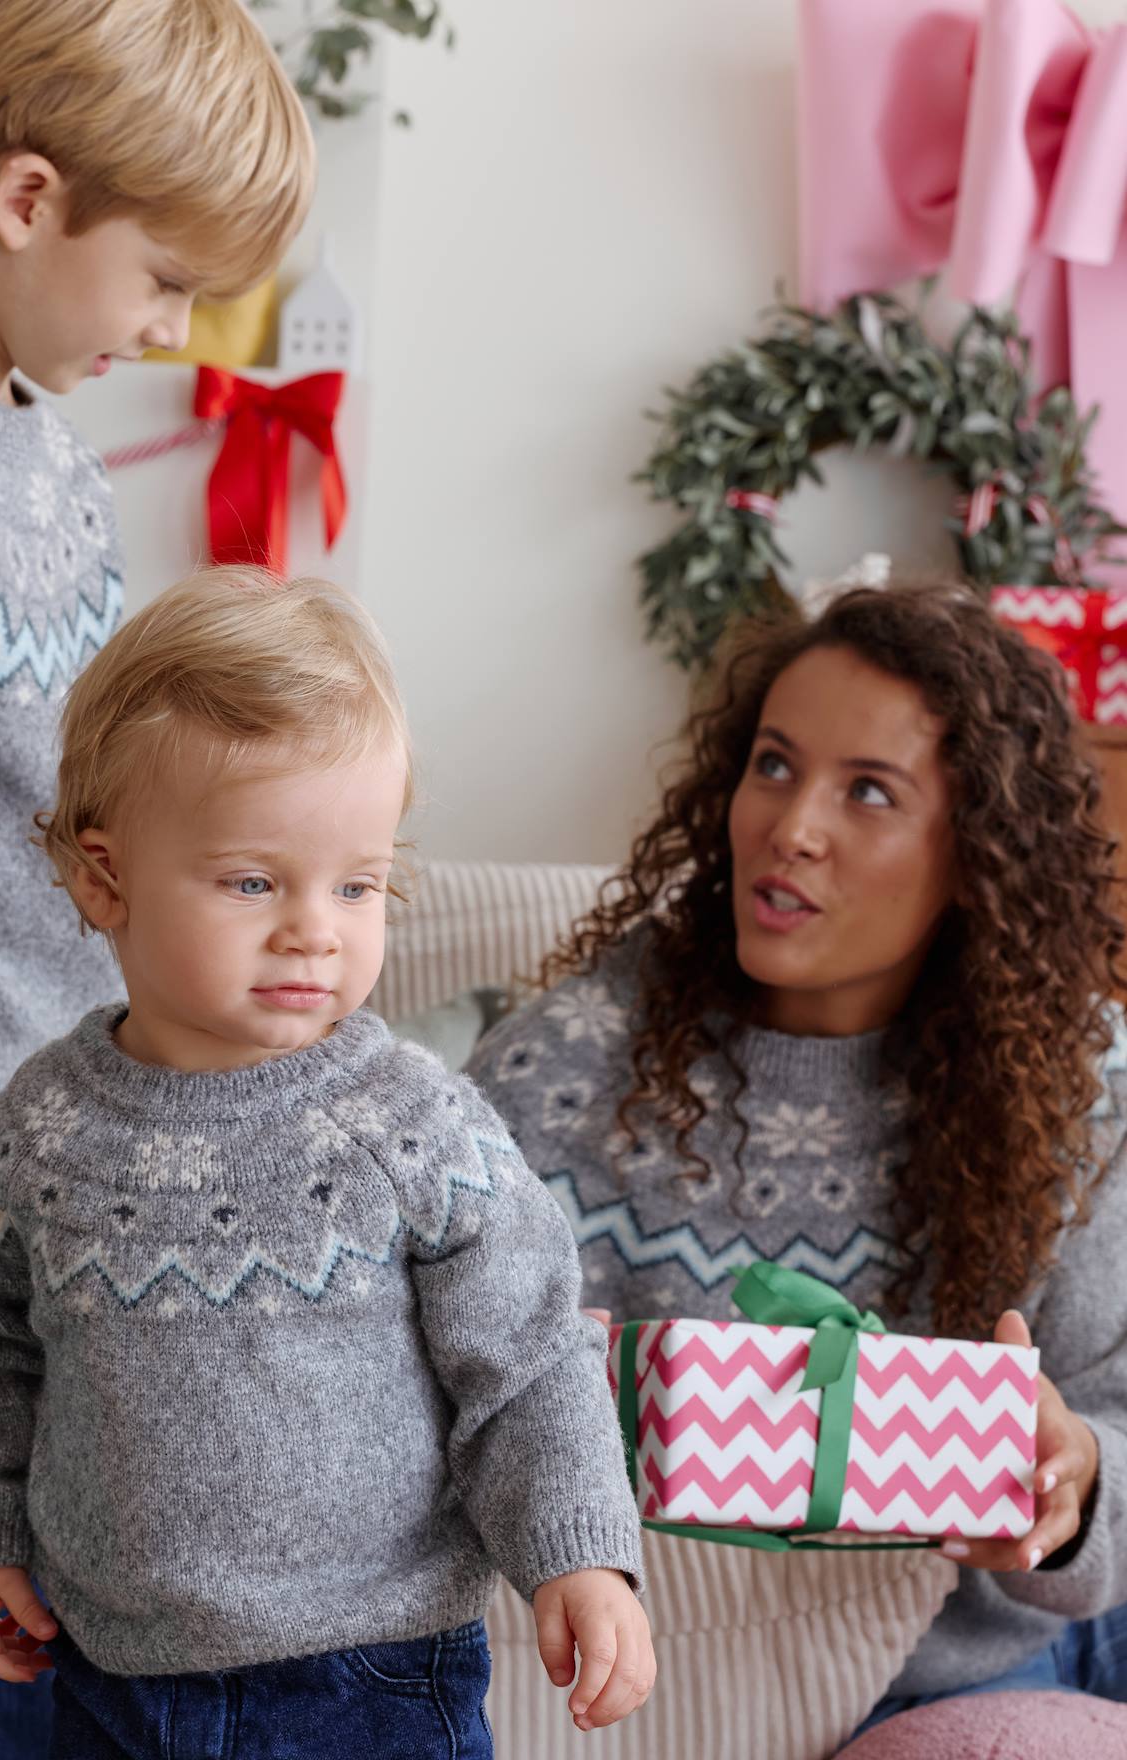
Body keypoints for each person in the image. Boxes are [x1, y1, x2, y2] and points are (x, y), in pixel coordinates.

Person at [0, 567, 656, 1759]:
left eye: (358, 883)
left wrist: (578, 1550)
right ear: (106, 878)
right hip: (93, 1665)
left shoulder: (411, 1120)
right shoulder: (42, 1125)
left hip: (369, 1673)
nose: (316, 926)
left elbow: (527, 1357)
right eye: (254, 881)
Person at [0, 4, 314, 1755]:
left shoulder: (45, 455)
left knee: (13, 1635)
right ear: (28, 198)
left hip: (39, 1161)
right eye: (164, 282)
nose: (171, 335)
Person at [467, 581, 1127, 1726]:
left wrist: (1073, 1478)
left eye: (869, 790)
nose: (790, 823)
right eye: (774, 763)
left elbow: (1114, 1433)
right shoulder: (567, 1057)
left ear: (977, 851)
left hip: (946, 1685)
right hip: (628, 1695)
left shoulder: (1084, 1105)